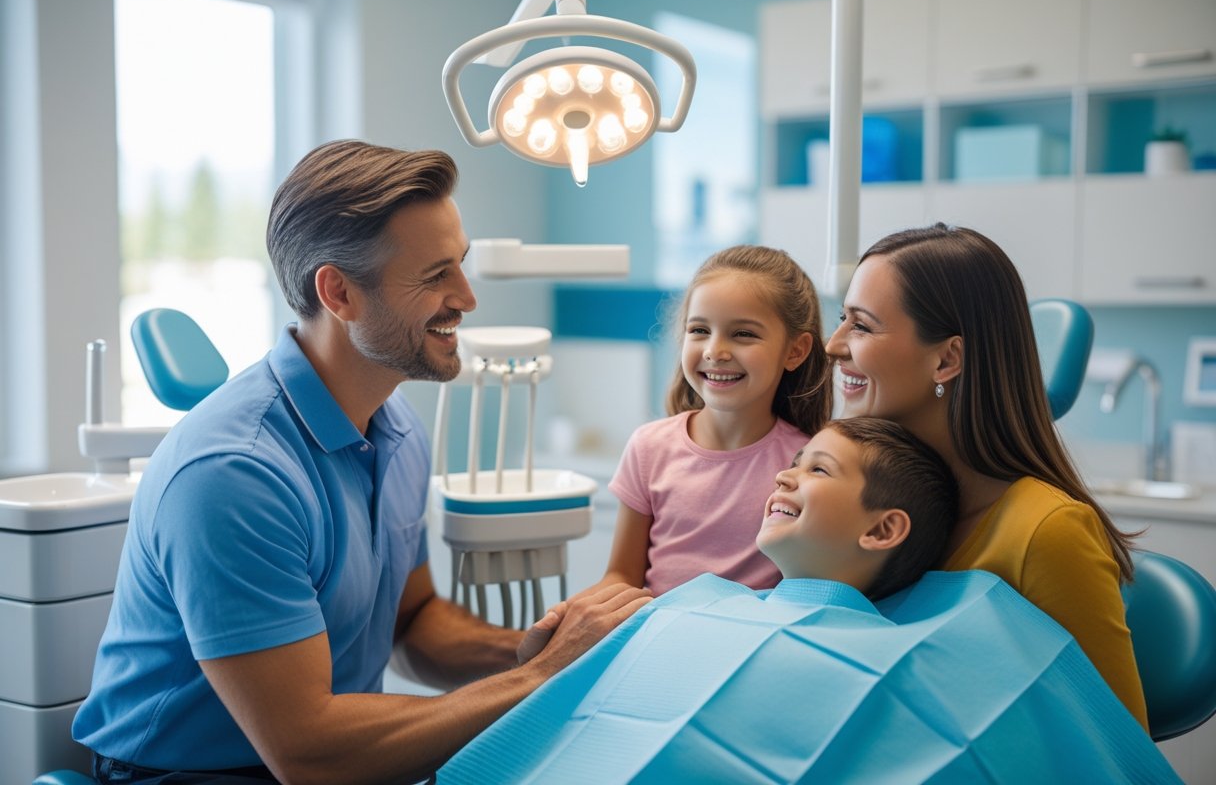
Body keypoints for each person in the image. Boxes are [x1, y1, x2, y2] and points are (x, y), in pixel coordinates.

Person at [72, 139, 651, 784]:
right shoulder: (233, 474)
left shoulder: (394, 425)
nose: (467, 296)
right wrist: (540, 677)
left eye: (460, 265)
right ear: (339, 293)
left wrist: (541, 648)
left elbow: (413, 619)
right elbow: (308, 753)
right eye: (436, 276)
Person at [441, 419, 1177, 784]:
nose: (785, 479)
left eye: (815, 469)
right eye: (790, 465)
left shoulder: (952, 625)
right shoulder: (689, 604)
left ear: (885, 528)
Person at [825, 222, 1149, 729]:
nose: (834, 344)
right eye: (842, 319)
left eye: (862, 326)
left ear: (947, 359)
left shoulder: (1048, 533)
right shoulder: (859, 506)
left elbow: (1115, 750)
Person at [595, 245, 833, 596]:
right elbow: (621, 577)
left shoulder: (809, 463)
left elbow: (805, 588)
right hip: (654, 637)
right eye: (700, 330)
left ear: (795, 351)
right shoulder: (648, 447)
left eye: (743, 334)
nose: (714, 351)